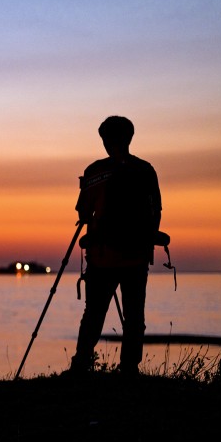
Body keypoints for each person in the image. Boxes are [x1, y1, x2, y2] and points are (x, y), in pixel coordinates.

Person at [67, 116, 162, 376]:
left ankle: (81, 366)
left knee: (93, 315)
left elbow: (83, 213)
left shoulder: (95, 171)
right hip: (136, 256)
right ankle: (129, 369)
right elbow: (156, 213)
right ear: (130, 138)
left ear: (106, 140)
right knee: (134, 317)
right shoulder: (145, 170)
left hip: (101, 256)